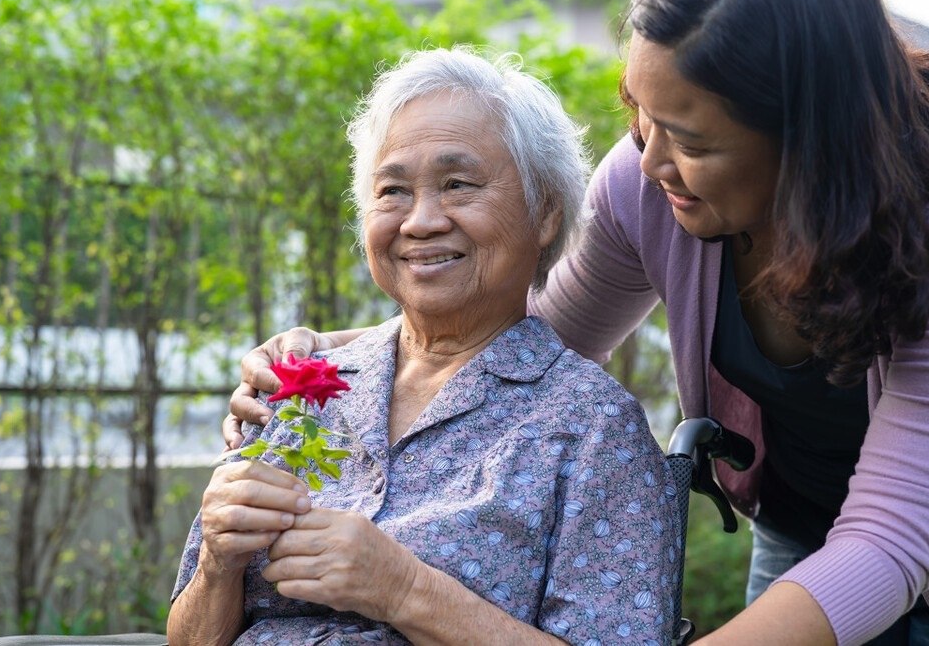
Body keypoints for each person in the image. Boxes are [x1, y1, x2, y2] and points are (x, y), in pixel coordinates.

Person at [226, 0, 929, 644]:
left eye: (690, 139)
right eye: (638, 115)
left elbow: (891, 545)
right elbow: (532, 335)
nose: (649, 159)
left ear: (804, 141)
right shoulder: (649, 180)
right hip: (810, 508)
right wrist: (331, 366)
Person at [170, 47, 682, 645]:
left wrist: (403, 590)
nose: (420, 221)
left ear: (544, 214)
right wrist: (218, 565)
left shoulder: (594, 428)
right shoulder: (298, 389)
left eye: (458, 184)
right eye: (392, 191)